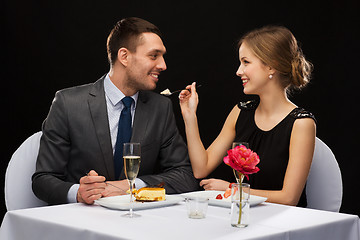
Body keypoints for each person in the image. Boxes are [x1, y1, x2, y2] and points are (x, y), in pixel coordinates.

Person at [32, 17, 199, 205]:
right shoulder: (68, 103)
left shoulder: (161, 107)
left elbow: (184, 175)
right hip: (81, 222)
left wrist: (130, 186)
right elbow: (42, 180)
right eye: (154, 56)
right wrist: (79, 193)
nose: (163, 65)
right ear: (124, 56)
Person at [179, 26, 316, 207]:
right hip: (242, 216)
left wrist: (231, 188)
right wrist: (190, 117)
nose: (238, 71)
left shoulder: (301, 123)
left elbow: (289, 198)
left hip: (282, 223)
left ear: (271, 65)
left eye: (246, 62)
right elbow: (201, 168)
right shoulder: (240, 112)